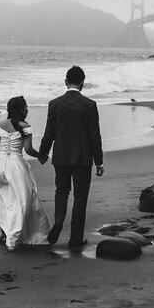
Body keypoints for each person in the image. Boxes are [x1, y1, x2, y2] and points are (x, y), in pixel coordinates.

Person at [38, 65, 104, 249]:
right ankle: (75, 238)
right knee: (80, 197)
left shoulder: (55, 104)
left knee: (61, 191)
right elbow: (94, 135)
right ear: (83, 84)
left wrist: (43, 153)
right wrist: (99, 162)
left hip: (60, 157)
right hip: (83, 158)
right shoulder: (90, 105)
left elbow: (49, 133)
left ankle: (59, 221)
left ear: (66, 82)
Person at [0, 96, 53, 251]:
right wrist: (41, 156)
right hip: (16, 166)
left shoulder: (1, 125)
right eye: (26, 107)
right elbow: (28, 150)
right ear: (21, 110)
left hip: (1, 165)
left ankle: (5, 231)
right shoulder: (25, 126)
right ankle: (15, 236)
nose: (27, 109)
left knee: (6, 200)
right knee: (23, 200)